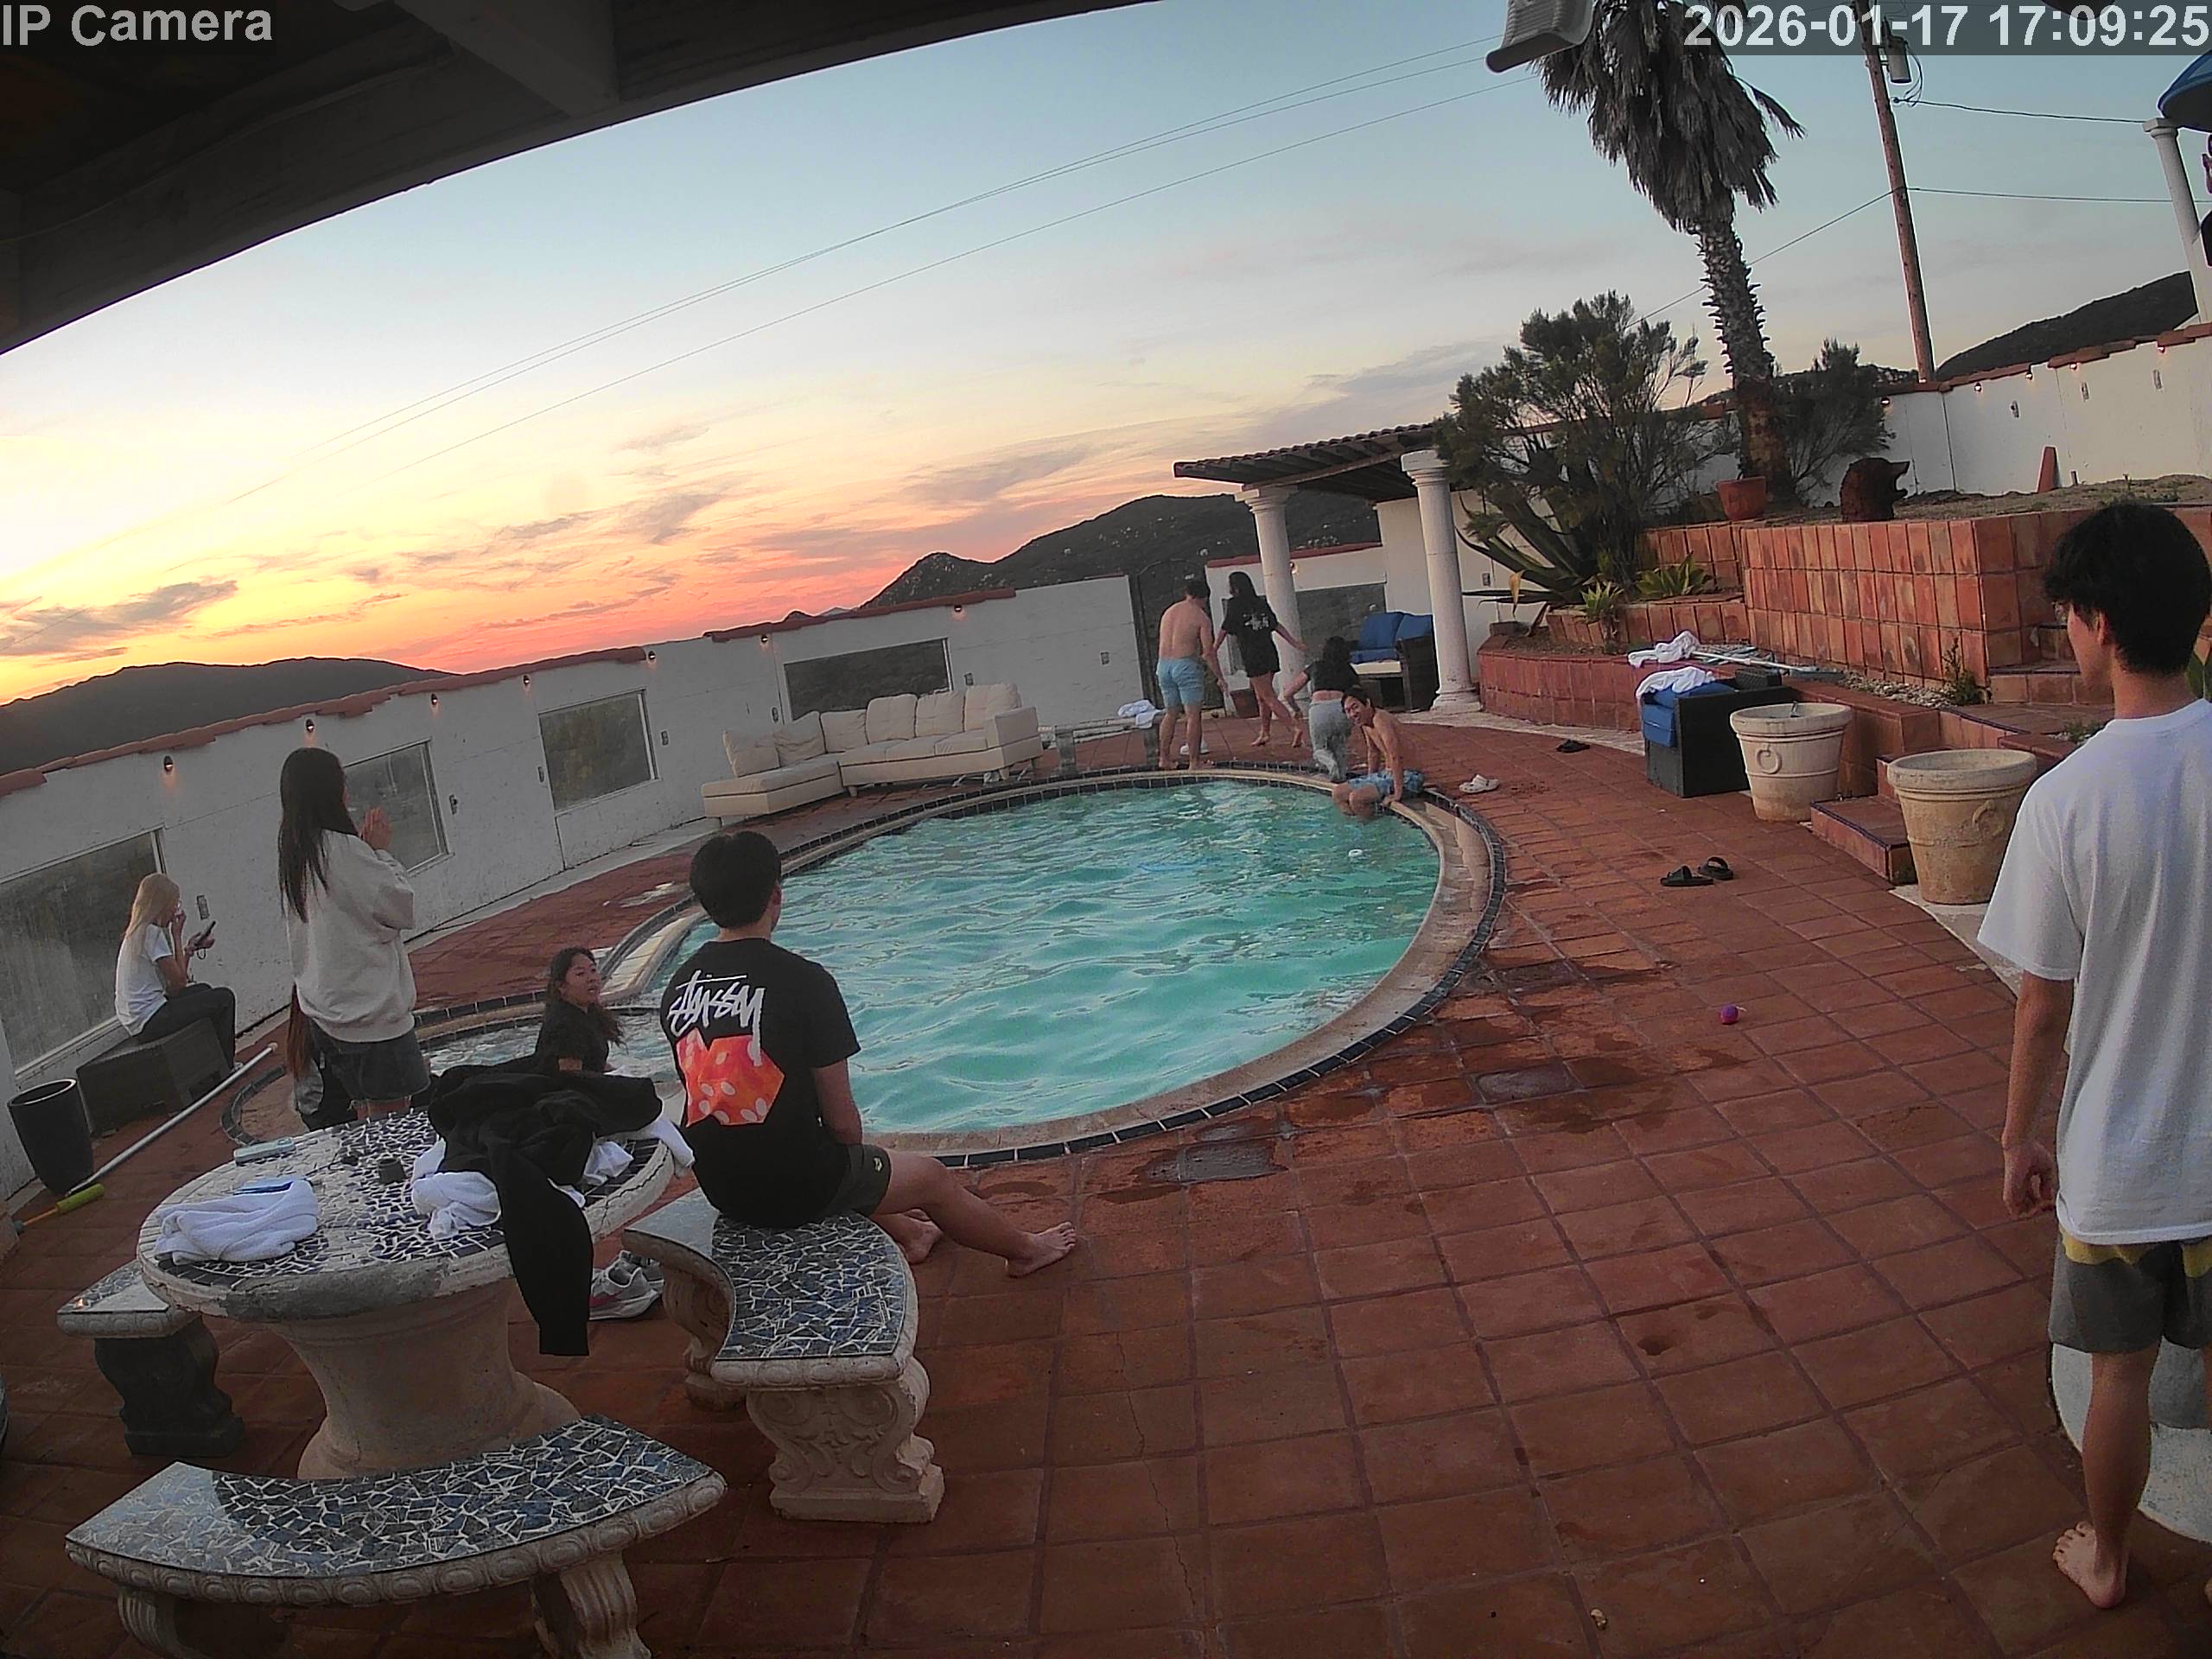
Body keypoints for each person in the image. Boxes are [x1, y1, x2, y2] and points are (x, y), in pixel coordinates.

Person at [1978, 501, 2212, 1617]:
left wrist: (2019, 1138)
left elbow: (2041, 1007)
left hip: (2119, 1170)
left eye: (2068, 615)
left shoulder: (2065, 800)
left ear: (2101, 625)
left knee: (2119, 1378)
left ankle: (2109, 1560)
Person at [658, 830, 1076, 1275]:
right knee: (928, 1178)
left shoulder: (679, 986)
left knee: (839, 1159)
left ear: (706, 903)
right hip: (792, 1188)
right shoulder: (804, 982)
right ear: (776, 895)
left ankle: (913, 1234)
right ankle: (1026, 1251)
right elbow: (843, 1125)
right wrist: (858, 1164)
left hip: (721, 1184)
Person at [277, 747, 429, 1118]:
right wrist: (378, 853)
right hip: (369, 1017)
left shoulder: (297, 853)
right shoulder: (343, 852)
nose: (347, 793)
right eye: (342, 783)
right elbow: (400, 907)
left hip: (326, 1012)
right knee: (393, 1120)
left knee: (364, 1111)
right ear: (331, 791)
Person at [114, 872, 237, 1067]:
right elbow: (179, 982)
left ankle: (211, 1061)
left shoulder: (136, 932)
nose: (175, 911)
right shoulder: (151, 934)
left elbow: (175, 984)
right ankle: (226, 1065)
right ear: (162, 905)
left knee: (203, 990)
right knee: (224, 998)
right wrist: (177, 936)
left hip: (141, 1018)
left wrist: (188, 950)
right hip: (152, 1018)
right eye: (175, 904)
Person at [1217, 570, 1306, 747]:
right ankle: (1264, 732)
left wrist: (1214, 647)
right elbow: (1276, 625)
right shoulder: (1260, 602)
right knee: (1262, 697)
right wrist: (1293, 642)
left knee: (1268, 696)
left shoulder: (1235, 604)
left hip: (1253, 655)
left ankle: (1294, 727)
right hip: (1269, 652)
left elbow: (1225, 628)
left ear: (1235, 587)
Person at [1154, 575, 1225, 771]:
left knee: (1171, 714)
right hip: (1185, 666)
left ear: (1187, 594)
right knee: (1193, 716)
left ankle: (1164, 759)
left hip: (1163, 666)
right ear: (1204, 598)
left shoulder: (1169, 612)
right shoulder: (1201, 617)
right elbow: (1208, 652)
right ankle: (1195, 762)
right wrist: (1220, 677)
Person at [1332, 685, 1427, 817]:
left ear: (1367, 703)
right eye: (1348, 711)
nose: (1353, 714)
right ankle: (1363, 822)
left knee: (1356, 799)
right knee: (1338, 793)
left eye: (1355, 707)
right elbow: (1373, 753)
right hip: (1387, 774)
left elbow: (1395, 756)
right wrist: (1370, 780)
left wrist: (1398, 793)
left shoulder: (1380, 719)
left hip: (1409, 776)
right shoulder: (1365, 723)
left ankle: (1371, 825)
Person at [1282, 635, 1362, 782]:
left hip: (1319, 710)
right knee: (1339, 748)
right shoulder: (1349, 670)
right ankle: (1341, 779)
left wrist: (1296, 709)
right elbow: (1359, 693)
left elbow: (1288, 693)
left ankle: (1330, 764)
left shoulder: (1315, 666)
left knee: (1319, 749)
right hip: (1341, 709)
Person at [535, 946, 621, 1076]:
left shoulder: (587, 1013)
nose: (591, 978)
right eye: (581, 974)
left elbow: (594, 1063)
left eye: (593, 970)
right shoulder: (566, 1025)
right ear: (561, 986)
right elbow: (571, 1078)